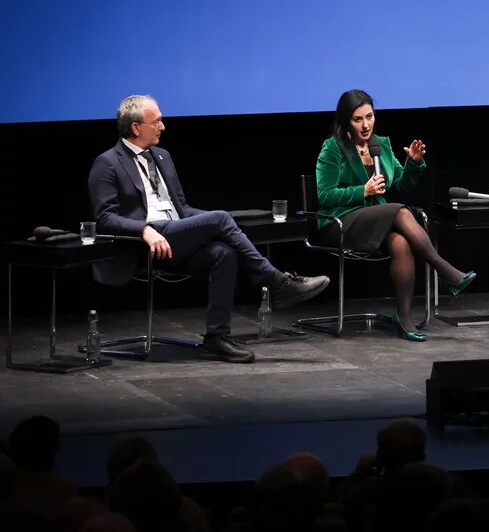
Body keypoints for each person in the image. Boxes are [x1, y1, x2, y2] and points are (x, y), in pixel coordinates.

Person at [88, 95, 329, 363]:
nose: (163, 126)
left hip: (175, 234)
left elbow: (182, 208)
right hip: (145, 242)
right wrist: (145, 229)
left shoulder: (162, 157)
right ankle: (277, 283)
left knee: (223, 251)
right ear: (135, 127)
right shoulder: (108, 162)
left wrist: (222, 225)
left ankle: (216, 338)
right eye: (156, 121)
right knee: (221, 219)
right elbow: (105, 219)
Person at [315, 89, 475, 341]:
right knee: (400, 210)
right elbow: (324, 196)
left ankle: (405, 317)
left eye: (369, 116)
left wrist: (413, 163)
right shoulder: (333, 148)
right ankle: (443, 269)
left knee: (401, 243)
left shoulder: (382, 145)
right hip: (340, 222)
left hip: (376, 220)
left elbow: (402, 185)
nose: (366, 124)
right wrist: (362, 191)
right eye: (358, 119)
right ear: (346, 120)